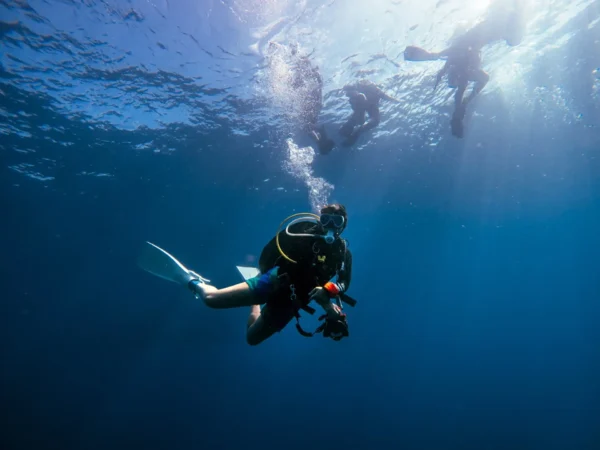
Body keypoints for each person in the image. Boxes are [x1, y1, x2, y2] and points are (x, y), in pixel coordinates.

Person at [139, 204, 356, 346]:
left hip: (293, 302)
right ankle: (191, 280)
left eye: (337, 222)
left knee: (251, 339)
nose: (330, 226)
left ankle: (256, 306)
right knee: (211, 300)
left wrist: (330, 292)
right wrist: (267, 275)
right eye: (326, 219)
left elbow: (344, 281)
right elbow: (267, 254)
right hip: (270, 282)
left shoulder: (343, 253)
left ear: (343, 226)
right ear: (320, 220)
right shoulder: (301, 235)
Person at [404, 3, 525, 137]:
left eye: (452, 81)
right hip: (479, 37)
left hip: (475, 39)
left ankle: (510, 17)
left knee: (478, 73)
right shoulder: (462, 62)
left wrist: (458, 114)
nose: (455, 82)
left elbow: (460, 90)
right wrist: (463, 107)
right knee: (482, 74)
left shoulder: (460, 64)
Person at [339, 79, 399, 147]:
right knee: (364, 120)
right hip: (366, 104)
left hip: (370, 105)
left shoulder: (373, 90)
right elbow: (386, 97)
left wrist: (395, 100)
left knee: (370, 121)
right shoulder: (361, 92)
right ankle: (353, 129)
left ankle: (356, 130)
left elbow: (385, 96)